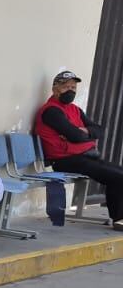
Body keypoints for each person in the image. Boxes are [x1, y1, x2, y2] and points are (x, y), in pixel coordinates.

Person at [35, 70, 123, 230]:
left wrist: (85, 132)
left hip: (84, 157)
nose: (70, 91)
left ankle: (118, 216)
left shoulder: (74, 109)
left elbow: (99, 130)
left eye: (73, 88)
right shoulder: (51, 111)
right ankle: (119, 218)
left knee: (119, 173)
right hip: (64, 160)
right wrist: (82, 133)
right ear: (55, 89)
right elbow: (75, 135)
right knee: (116, 177)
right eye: (65, 87)